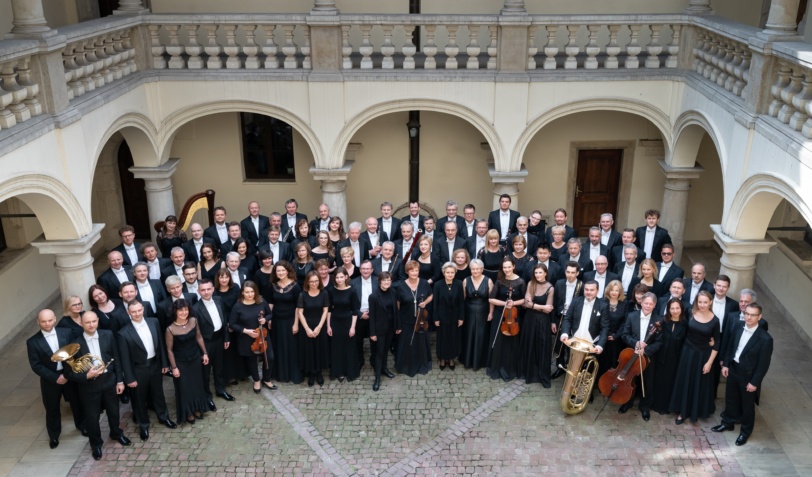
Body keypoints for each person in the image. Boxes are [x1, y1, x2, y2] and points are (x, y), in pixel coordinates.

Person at [65, 311, 130, 461]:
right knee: (92, 417)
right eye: (87, 322)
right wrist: (86, 376)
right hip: (89, 385)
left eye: (94, 321)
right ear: (81, 323)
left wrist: (120, 381)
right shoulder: (74, 345)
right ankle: (96, 444)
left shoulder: (108, 334)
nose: (91, 325)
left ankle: (116, 433)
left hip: (109, 380)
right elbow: (69, 373)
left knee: (114, 411)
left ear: (98, 320)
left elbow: (117, 359)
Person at [712, 303, 773, 446]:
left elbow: (763, 364)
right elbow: (731, 347)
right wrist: (726, 364)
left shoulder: (765, 339)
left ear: (760, 317)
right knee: (731, 400)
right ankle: (728, 423)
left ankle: (745, 433)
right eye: (747, 314)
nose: (749, 317)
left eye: (752, 315)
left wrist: (755, 382)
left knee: (747, 407)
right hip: (733, 369)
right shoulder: (738, 327)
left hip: (749, 376)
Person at [116, 300, 177, 441]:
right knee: (139, 398)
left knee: (158, 393)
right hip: (138, 370)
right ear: (128, 313)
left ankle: (164, 417)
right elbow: (124, 358)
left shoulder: (154, 322)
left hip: (155, 365)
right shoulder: (123, 333)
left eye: (139, 310)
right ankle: (143, 425)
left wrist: (164, 363)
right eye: (133, 312)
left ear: (143, 309)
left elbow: (161, 343)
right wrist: (129, 378)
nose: (137, 314)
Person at [26, 309, 86, 450]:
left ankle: (82, 426)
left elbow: (75, 353)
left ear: (54, 319)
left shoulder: (66, 332)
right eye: (43, 321)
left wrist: (66, 374)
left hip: (69, 375)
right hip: (50, 379)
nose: (47, 324)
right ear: (38, 322)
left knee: (77, 402)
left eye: (49, 320)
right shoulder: (32, 342)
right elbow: (36, 365)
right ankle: (54, 435)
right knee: (52, 408)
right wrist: (56, 377)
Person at [670, 290, 721, 424]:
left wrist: (709, 363)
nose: (702, 305)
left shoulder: (715, 321)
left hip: (703, 356)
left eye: (705, 302)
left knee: (697, 383)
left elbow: (717, 343)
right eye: (700, 302)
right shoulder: (691, 313)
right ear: (696, 302)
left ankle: (694, 411)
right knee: (684, 381)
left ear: (710, 302)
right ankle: (682, 411)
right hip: (687, 353)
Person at [618, 292, 663, 421]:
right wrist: (635, 343)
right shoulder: (631, 316)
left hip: (648, 357)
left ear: (654, 305)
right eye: (646, 303)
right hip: (631, 354)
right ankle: (627, 402)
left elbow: (660, 342)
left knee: (648, 382)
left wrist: (646, 350)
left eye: (651, 304)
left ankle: (645, 407)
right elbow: (625, 335)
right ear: (641, 303)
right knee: (630, 380)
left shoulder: (658, 320)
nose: (648, 306)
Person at [165, 300, 210, 424]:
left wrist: (204, 353)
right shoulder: (170, 329)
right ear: (175, 312)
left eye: (186, 309)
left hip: (195, 358)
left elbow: (199, 337)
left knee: (196, 385)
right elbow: (169, 350)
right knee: (185, 388)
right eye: (181, 310)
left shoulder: (193, 321)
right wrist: (174, 367)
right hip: (181, 362)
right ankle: (188, 412)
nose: (184, 312)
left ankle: (197, 408)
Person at [193, 279, 235, 407]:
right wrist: (202, 351)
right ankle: (207, 396)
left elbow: (224, 320)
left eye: (208, 289)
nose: (206, 292)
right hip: (206, 342)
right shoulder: (195, 308)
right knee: (205, 371)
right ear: (198, 291)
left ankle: (220, 390)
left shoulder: (218, 300)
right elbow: (196, 332)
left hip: (220, 339)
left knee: (219, 367)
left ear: (212, 289)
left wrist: (226, 338)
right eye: (203, 290)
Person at [228, 281, 276, 394]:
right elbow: (232, 324)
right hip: (247, 337)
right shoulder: (238, 305)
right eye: (247, 292)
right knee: (252, 360)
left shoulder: (261, 301)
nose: (250, 294)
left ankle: (267, 379)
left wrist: (266, 319)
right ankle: (256, 381)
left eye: (252, 292)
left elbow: (270, 314)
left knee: (270, 357)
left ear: (255, 292)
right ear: (243, 293)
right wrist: (246, 331)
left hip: (262, 335)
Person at [487, 257, 525, 381]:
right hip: (500, 315)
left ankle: (511, 368)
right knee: (499, 341)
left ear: (513, 266)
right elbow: (491, 299)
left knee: (512, 342)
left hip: (513, 316)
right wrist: (504, 303)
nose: (507, 269)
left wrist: (513, 303)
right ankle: (497, 367)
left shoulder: (520, 282)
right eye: (504, 267)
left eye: (509, 267)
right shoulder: (499, 281)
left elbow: (525, 300)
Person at [519, 263, 555, 387]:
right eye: (536, 273)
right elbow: (525, 304)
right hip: (530, 319)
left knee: (542, 346)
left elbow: (548, 309)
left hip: (543, 321)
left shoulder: (550, 288)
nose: (538, 275)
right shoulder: (530, 283)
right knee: (529, 344)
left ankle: (540, 374)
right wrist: (540, 306)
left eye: (540, 272)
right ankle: (528, 372)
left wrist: (533, 305)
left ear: (545, 273)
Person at [395, 260, 433, 377]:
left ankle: (421, 363)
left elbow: (431, 295)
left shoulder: (424, 283)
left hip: (421, 319)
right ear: (407, 272)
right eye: (412, 271)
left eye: (416, 270)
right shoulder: (400, 286)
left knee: (420, 341)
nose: (414, 273)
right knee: (406, 343)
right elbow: (398, 304)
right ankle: (406, 365)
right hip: (406, 318)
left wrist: (425, 302)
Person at [651, 298, 688, 415]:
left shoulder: (685, 324)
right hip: (661, 356)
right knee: (658, 381)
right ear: (668, 309)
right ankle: (657, 405)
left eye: (677, 308)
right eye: (672, 308)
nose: (675, 311)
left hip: (676, 358)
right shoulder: (662, 322)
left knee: (670, 382)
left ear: (681, 309)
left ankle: (668, 406)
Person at [269, 261, 303, 384]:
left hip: (290, 321)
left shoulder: (295, 286)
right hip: (277, 321)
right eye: (278, 271)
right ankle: (280, 373)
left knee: (291, 348)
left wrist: (296, 323)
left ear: (288, 271)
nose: (281, 273)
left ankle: (291, 373)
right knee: (278, 347)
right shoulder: (273, 285)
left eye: (283, 270)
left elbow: (298, 307)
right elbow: (271, 303)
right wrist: (269, 318)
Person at [327, 268, 361, 382]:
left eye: (341, 277)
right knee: (337, 348)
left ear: (346, 277)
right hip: (335, 322)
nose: (339, 279)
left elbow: (355, 311)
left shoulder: (352, 291)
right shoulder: (331, 291)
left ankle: (349, 371)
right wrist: (328, 326)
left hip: (348, 322)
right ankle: (339, 371)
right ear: (334, 278)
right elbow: (329, 310)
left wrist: (352, 327)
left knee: (349, 348)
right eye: (337, 277)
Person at [297, 270, 330, 387]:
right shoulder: (302, 295)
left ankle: (319, 373)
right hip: (306, 326)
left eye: (316, 281)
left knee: (319, 349)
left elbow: (325, 310)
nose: (314, 283)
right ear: (307, 282)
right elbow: (300, 313)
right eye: (311, 281)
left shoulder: (324, 293)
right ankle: (311, 373)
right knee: (309, 350)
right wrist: (307, 329)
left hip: (319, 325)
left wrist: (320, 327)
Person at [460, 258, 493, 371]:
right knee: (468, 334)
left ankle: (480, 361)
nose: (475, 271)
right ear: (470, 269)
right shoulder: (465, 280)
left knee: (481, 335)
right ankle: (467, 360)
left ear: (482, 269)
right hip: (468, 311)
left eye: (478, 269)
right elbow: (463, 298)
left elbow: (491, 299)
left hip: (483, 311)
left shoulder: (488, 281)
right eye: (473, 269)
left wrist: (491, 312)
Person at [369, 272, 399, 391]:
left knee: (386, 350)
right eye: (384, 280)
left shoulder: (393, 292)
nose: (387, 282)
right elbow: (372, 316)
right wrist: (372, 333)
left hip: (390, 328)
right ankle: (377, 377)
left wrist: (398, 326)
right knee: (379, 353)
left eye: (389, 280)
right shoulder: (373, 296)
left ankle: (384, 369)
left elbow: (395, 311)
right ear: (380, 281)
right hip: (379, 329)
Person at [433, 262, 464, 370]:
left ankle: (451, 358)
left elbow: (461, 302)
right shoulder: (437, 285)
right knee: (442, 338)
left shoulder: (459, 284)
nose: (450, 274)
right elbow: (435, 303)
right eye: (448, 272)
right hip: (442, 317)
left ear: (455, 273)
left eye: (452, 272)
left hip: (455, 316)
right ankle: (442, 358)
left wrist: (461, 317)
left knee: (453, 337)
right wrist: (435, 318)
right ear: (444, 273)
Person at [600, 280, 628, 380]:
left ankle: (608, 382)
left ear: (620, 292)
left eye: (617, 290)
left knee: (613, 362)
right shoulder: (602, 301)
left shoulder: (624, 304)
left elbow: (625, 322)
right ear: (608, 290)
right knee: (601, 361)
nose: (614, 292)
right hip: (602, 337)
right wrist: (604, 334)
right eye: (612, 290)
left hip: (616, 339)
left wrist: (616, 335)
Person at [352, 261, 377, 368]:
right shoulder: (353, 282)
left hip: (374, 316)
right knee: (358, 340)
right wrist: (360, 314)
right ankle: (359, 360)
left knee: (374, 340)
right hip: (359, 316)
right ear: (360, 270)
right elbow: (350, 302)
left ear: (372, 270)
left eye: (368, 268)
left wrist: (371, 313)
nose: (366, 271)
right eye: (363, 268)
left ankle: (374, 360)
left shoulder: (378, 281)